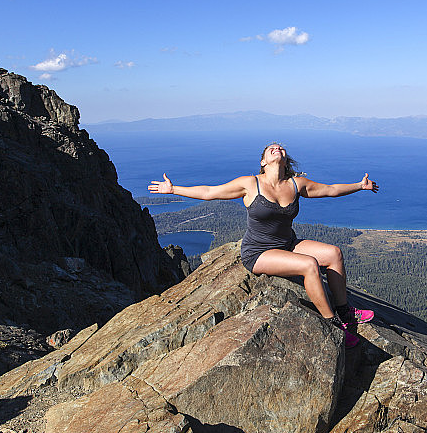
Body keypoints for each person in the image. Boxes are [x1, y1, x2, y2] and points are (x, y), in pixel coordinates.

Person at [148, 142, 378, 347]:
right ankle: (333, 326)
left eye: (280, 148)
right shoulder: (250, 184)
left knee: (334, 254)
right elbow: (210, 192)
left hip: (287, 244)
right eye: (271, 148)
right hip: (258, 253)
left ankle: (344, 311)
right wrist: (173, 189)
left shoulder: (296, 184)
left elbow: (330, 190)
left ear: (285, 160)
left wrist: (360, 185)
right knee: (309, 265)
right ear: (263, 162)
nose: (277, 148)